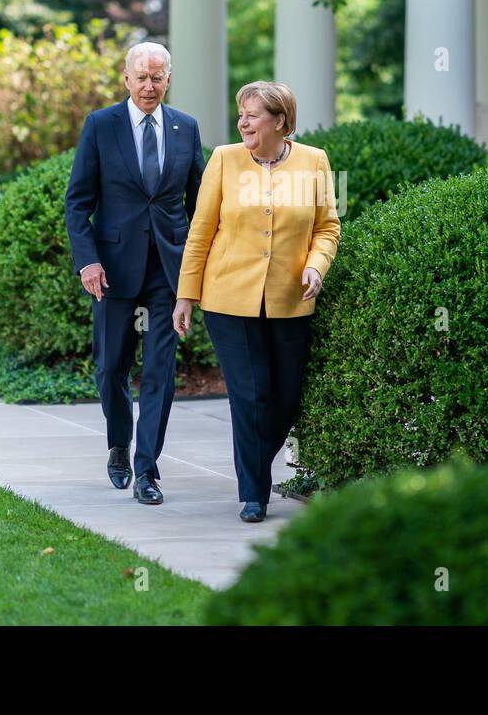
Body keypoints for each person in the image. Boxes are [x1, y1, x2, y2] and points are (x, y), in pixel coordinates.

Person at [172, 81, 340, 522]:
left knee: (285, 399)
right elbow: (200, 231)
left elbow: (327, 227)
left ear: (280, 121)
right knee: (250, 395)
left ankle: (253, 470)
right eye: (240, 114)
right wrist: (186, 295)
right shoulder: (224, 159)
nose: (243, 122)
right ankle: (253, 493)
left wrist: (316, 266)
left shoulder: (314, 162)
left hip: (290, 297)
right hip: (228, 298)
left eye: (253, 114)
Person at [65, 42, 206, 505]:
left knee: (161, 372)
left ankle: (148, 469)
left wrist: (199, 265)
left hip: (169, 270)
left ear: (169, 79)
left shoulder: (186, 128)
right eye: (141, 76)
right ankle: (119, 445)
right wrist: (88, 260)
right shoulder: (101, 126)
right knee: (110, 368)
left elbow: (201, 203)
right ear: (126, 78)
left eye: (158, 77)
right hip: (111, 270)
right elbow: (78, 202)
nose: (149, 85)